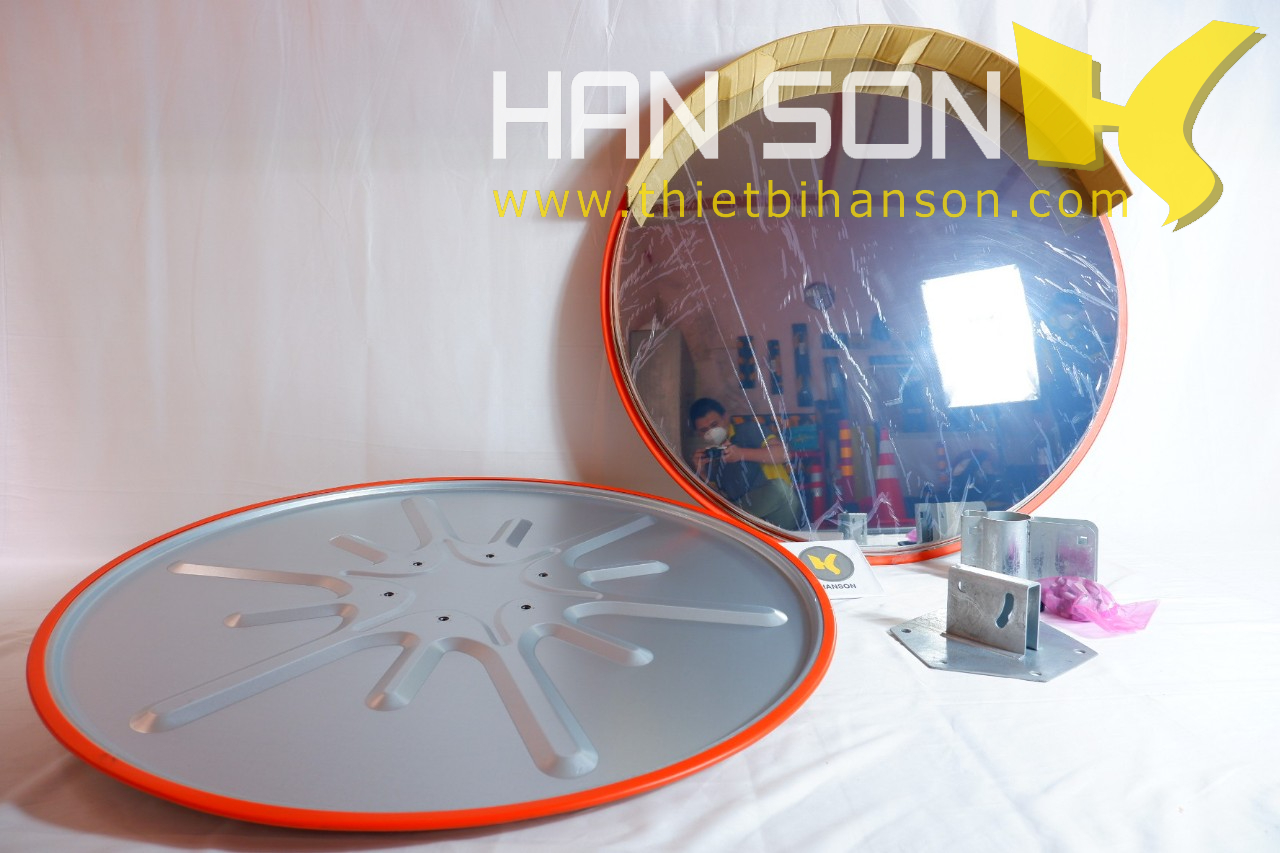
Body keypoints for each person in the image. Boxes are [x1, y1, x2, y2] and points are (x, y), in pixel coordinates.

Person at [688, 397, 805, 530]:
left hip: (780, 511)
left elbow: (783, 454)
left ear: (725, 418)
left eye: (714, 425)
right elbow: (720, 500)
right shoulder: (711, 457)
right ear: (699, 434)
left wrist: (741, 454)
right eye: (704, 430)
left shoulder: (749, 430)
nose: (711, 432)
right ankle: (729, 522)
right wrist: (702, 473)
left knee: (779, 488)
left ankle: (727, 522)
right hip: (750, 525)